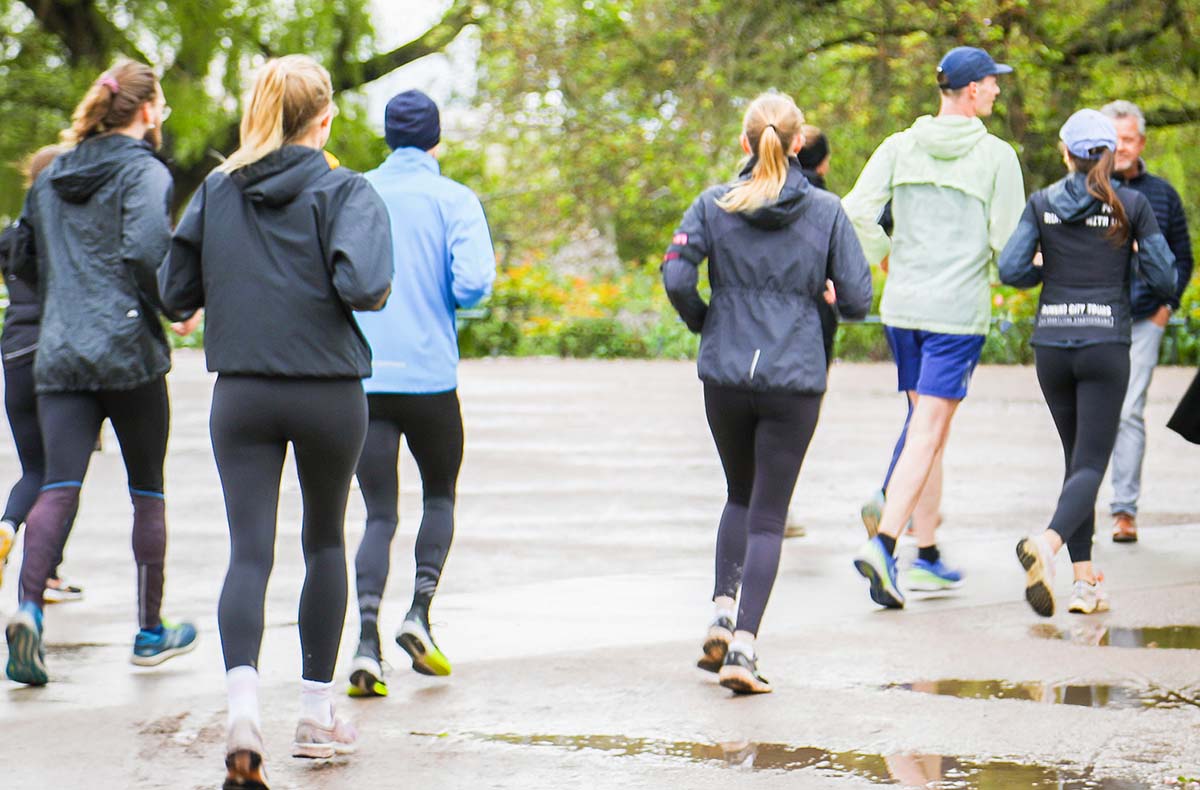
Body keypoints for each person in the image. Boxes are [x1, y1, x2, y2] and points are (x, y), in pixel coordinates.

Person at [159, 54, 393, 786]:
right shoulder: (346, 189)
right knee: (324, 542)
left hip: (243, 396)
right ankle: (317, 717)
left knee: (248, 553)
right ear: (324, 118)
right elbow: (367, 285)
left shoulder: (217, 189)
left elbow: (174, 293)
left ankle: (242, 712)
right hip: (327, 391)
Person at [663, 92, 872, 693]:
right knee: (768, 516)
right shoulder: (827, 212)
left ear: (744, 142)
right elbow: (858, 300)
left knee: (738, 495)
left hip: (726, 372)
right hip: (794, 375)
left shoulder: (713, 203)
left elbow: (676, 275)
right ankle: (744, 649)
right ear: (800, 142)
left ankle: (721, 614)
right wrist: (825, 298)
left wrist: (706, 320)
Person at [5, 60, 198, 688]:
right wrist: (175, 307)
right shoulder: (145, 171)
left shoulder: (51, 175)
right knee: (147, 490)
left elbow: (24, 255)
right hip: (128, 352)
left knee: (58, 485)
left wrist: (66, 305)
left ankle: (29, 609)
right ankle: (149, 632)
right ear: (146, 110)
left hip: (60, 351)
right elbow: (146, 250)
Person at [842, 46, 1025, 606]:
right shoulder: (996, 157)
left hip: (903, 309)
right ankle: (885, 544)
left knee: (929, 430)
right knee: (928, 432)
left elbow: (855, 212)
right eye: (992, 83)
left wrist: (887, 256)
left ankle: (926, 555)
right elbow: (1008, 244)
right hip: (956, 315)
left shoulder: (899, 146)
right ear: (971, 90)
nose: (997, 90)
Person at [344, 89, 496, 698]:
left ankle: (365, 643)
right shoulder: (454, 199)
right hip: (431, 379)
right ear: (436, 140)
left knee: (378, 514)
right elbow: (474, 283)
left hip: (365, 378)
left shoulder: (355, 193)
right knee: (439, 496)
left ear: (386, 137)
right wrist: (448, 298)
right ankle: (419, 612)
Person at [998, 109, 1176, 617]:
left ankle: (1084, 583)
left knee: (1078, 463)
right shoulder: (1131, 205)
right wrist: (1134, 253)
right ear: (1109, 155)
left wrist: (1049, 266)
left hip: (1052, 347)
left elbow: (1011, 269)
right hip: (1105, 345)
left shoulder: (1042, 203)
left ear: (1066, 154)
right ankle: (1048, 543)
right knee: (1092, 464)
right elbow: (1165, 279)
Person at [1099, 100, 1194, 544]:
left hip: (1142, 320)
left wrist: (1164, 309)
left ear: (1141, 143)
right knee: (1088, 414)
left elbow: (1182, 257)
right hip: (1094, 318)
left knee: (1129, 411)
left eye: (1128, 139)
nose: (1121, 147)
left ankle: (1124, 510)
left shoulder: (1163, 194)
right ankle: (1077, 510)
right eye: (1113, 139)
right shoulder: (1086, 189)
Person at [0, 144, 85, 603]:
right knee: (62, 476)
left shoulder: (12, 236)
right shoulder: (67, 235)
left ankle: (7, 526)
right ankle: (47, 574)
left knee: (33, 467)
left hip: (14, 354)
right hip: (54, 357)